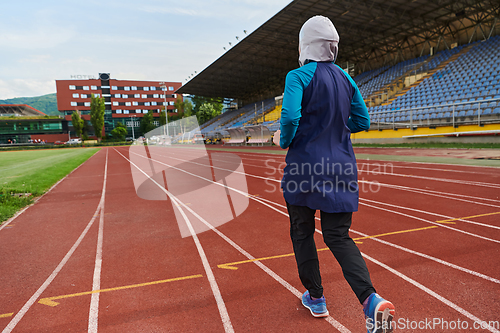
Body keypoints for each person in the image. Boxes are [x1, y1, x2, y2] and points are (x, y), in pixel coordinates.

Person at [273, 16, 395, 333]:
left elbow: (290, 115)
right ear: (333, 46)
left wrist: (282, 139)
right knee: (338, 236)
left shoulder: (298, 76)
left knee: (302, 231)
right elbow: (363, 121)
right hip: (342, 166)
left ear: (304, 45)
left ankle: (316, 297)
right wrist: (337, 129)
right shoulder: (345, 78)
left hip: (304, 167)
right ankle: (371, 301)